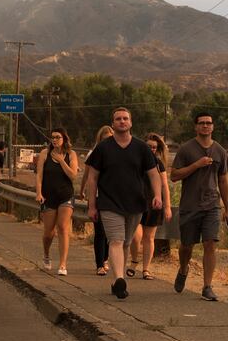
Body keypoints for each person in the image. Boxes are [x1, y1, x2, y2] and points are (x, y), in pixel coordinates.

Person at [85, 107, 161, 300]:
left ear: (131, 122)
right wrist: (92, 205)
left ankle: (115, 281)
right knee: (116, 241)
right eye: (118, 119)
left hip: (135, 203)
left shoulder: (141, 148)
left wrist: (158, 196)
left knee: (126, 242)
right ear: (113, 123)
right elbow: (92, 178)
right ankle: (120, 279)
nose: (122, 121)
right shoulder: (103, 148)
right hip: (109, 202)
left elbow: (154, 174)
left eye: (125, 118)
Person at [170, 112, 228, 301]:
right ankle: (183, 268)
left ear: (213, 127)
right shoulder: (186, 149)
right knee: (187, 246)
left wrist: (226, 206)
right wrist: (196, 165)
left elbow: (223, 180)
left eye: (208, 123)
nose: (205, 126)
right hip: (190, 205)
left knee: (210, 243)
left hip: (212, 205)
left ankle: (207, 286)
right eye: (202, 123)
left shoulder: (220, 151)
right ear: (196, 127)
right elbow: (174, 175)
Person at [127, 133, 172, 280]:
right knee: (135, 235)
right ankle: (134, 261)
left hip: (154, 204)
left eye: (154, 147)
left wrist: (167, 206)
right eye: (149, 146)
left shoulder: (159, 163)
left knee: (149, 237)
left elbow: (165, 185)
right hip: (136, 203)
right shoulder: (135, 161)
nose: (151, 149)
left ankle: (146, 269)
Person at [35, 128, 79, 275]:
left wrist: (61, 161)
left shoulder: (71, 155)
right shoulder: (44, 154)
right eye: (52, 137)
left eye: (58, 137)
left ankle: (62, 265)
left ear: (64, 139)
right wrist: (39, 193)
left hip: (65, 195)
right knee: (49, 232)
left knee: (63, 228)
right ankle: (46, 255)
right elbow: (39, 175)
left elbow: (73, 175)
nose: (54, 140)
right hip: (48, 196)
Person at [80, 125, 114, 276]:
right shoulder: (93, 153)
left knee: (110, 232)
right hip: (98, 196)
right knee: (100, 231)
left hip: (113, 197)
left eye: (110, 138)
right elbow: (87, 176)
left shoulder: (117, 153)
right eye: (105, 139)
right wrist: (83, 191)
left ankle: (106, 259)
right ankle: (100, 264)